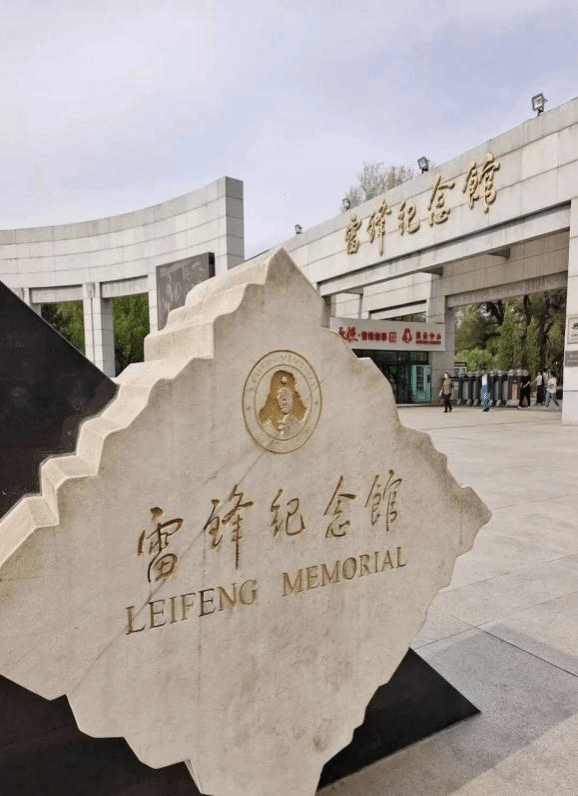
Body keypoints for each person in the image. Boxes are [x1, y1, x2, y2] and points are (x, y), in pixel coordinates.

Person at [258, 370, 308, 435]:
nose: (283, 399)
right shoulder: (267, 426)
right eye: (279, 394)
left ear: (293, 397)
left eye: (287, 394)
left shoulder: (299, 425)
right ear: (275, 398)